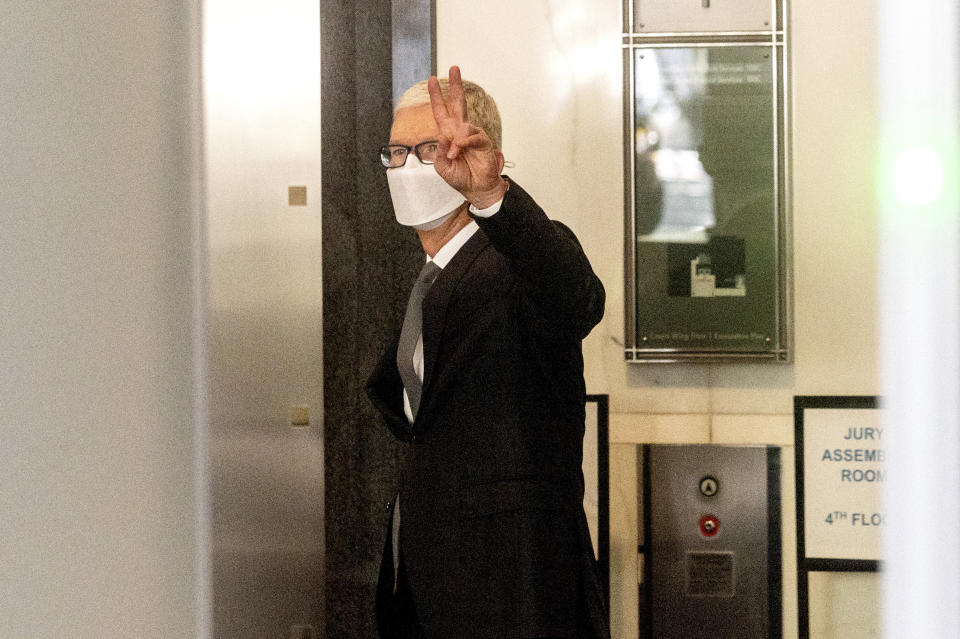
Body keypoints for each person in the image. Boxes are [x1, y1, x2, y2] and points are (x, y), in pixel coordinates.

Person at [367, 65, 609, 639]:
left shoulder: (517, 260)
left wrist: (491, 198)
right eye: (395, 152)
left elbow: (577, 301)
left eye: (427, 148)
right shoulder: (427, 277)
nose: (406, 166)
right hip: (428, 579)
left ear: (479, 151)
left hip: (515, 585)